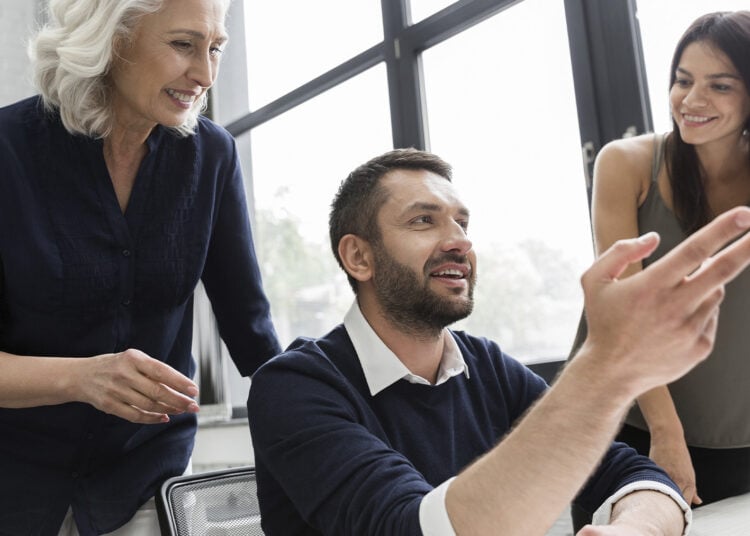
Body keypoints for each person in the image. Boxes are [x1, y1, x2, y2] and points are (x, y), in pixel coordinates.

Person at [248, 147, 750, 535]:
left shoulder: (484, 364)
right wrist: (607, 366)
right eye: (424, 220)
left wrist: (634, 526)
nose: (460, 241)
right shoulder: (294, 387)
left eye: (461, 222)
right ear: (359, 258)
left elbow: (632, 472)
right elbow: (410, 528)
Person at [0, 0, 281, 534]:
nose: (204, 74)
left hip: (149, 480)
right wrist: (82, 378)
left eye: (215, 49)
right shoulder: (7, 151)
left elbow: (251, 328)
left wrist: (333, 416)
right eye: (183, 45)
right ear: (113, 38)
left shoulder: (212, 156)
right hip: (13, 479)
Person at [585, 9, 750, 516]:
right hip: (637, 428)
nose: (692, 101)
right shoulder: (625, 163)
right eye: (683, 81)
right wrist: (666, 433)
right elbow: (625, 317)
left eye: (719, 86)